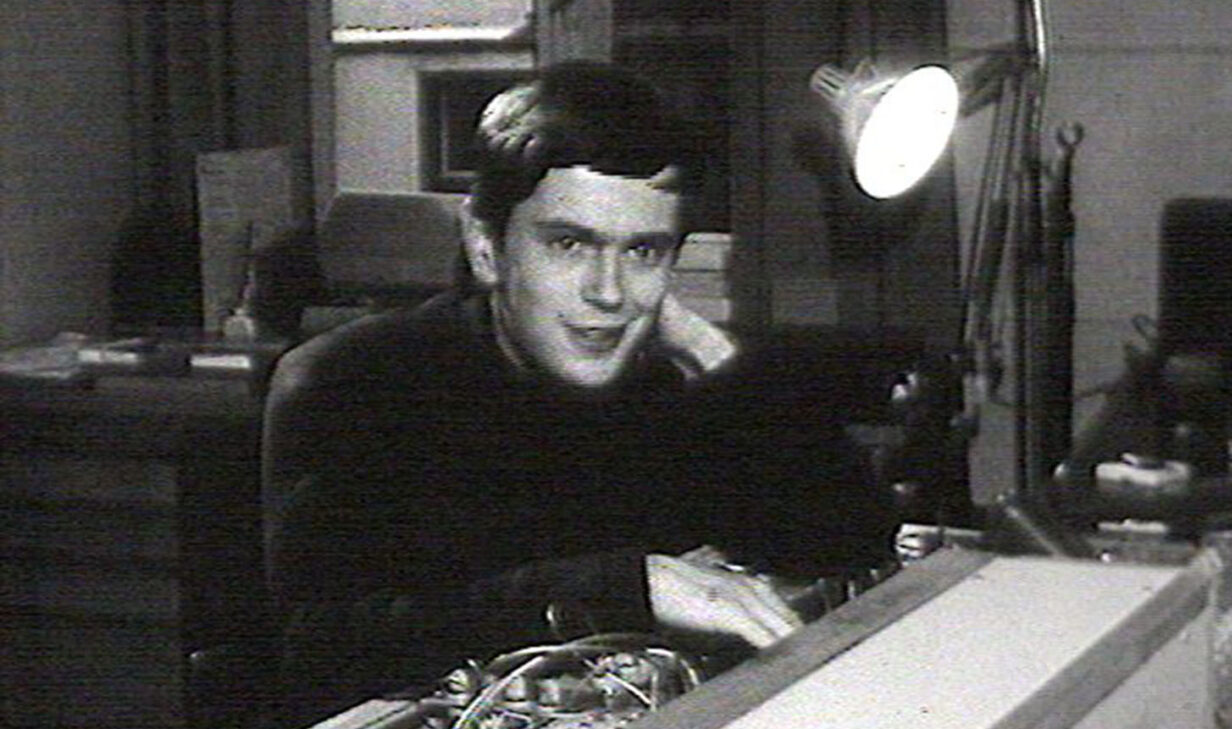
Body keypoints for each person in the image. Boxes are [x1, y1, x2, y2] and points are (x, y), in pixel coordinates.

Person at [261, 61, 896, 727]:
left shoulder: (664, 379)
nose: (609, 293)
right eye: (569, 244)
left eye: (644, 252)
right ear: (485, 247)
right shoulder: (354, 382)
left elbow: (852, 538)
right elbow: (322, 650)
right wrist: (624, 588)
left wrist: (709, 351)